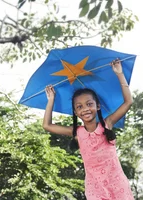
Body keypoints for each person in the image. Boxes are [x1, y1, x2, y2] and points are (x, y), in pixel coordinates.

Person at [42, 58, 134, 199]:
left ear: (97, 106)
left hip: (117, 184)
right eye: (79, 107)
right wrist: (51, 101)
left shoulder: (107, 123)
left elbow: (128, 102)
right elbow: (47, 125)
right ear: (75, 112)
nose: (85, 109)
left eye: (89, 104)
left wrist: (119, 74)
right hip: (95, 189)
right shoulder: (77, 132)